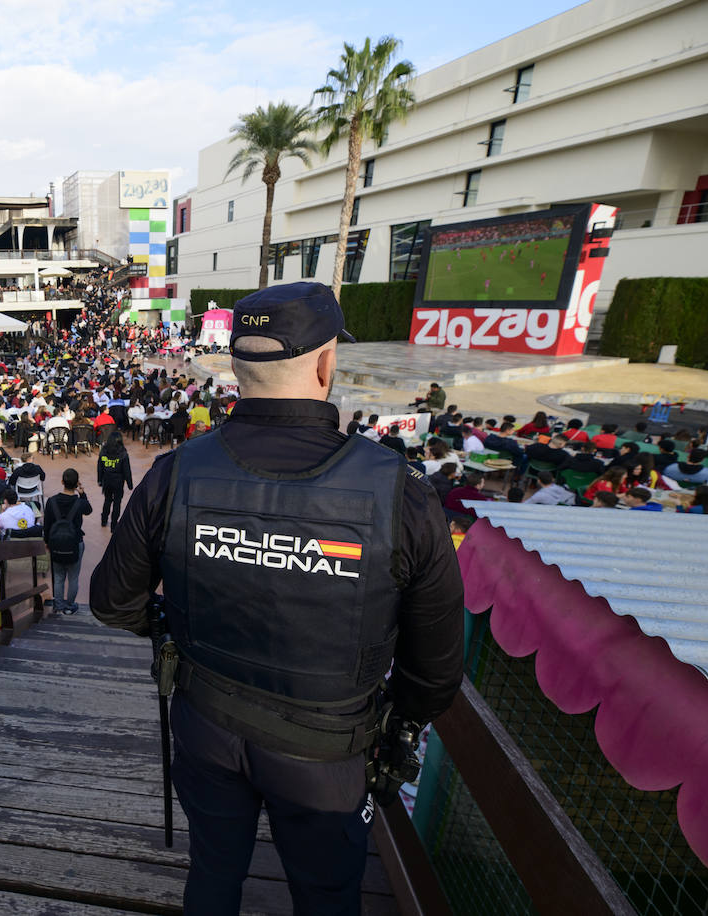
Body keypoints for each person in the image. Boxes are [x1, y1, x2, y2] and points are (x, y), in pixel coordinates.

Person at [89, 281, 463, 915]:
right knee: (326, 897)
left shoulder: (176, 471)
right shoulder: (401, 493)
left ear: (237, 367)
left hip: (205, 724)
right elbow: (436, 673)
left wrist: (171, 624)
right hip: (329, 753)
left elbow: (111, 601)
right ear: (325, 363)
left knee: (212, 875)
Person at [43, 467, 92, 615]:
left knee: (58, 577)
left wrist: (47, 543)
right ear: (76, 483)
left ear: (62, 481)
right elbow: (88, 510)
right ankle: (70, 606)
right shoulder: (79, 503)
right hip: (75, 542)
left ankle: (58, 605)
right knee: (73, 577)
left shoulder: (51, 502)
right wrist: (82, 494)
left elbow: (47, 525)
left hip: (56, 543)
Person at [96, 427, 133, 532]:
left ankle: (104, 520)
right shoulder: (123, 453)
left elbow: (99, 466)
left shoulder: (103, 451)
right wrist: (129, 484)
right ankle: (113, 525)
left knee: (107, 500)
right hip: (118, 481)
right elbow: (127, 470)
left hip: (106, 480)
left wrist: (99, 479)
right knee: (117, 503)